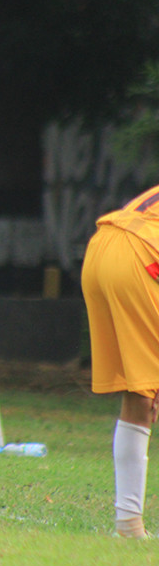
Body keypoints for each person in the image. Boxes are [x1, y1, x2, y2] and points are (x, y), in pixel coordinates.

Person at [82, 184, 159, 539]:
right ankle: (127, 523)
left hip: (103, 247)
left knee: (141, 392)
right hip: (141, 255)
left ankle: (128, 525)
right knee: (145, 390)